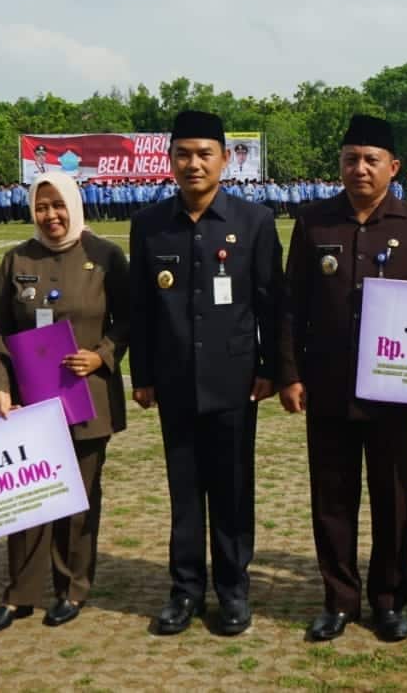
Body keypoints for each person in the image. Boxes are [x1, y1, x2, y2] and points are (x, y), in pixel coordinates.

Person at [279, 114, 407, 643]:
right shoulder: (313, 221)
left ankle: (390, 600)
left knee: (391, 497)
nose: (360, 168)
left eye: (371, 159)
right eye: (351, 158)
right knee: (332, 498)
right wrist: (289, 373)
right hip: (327, 383)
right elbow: (291, 307)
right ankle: (339, 599)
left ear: (393, 167)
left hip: (393, 389)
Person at [128, 110, 283, 637]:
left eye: (204, 154)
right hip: (173, 382)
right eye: (183, 154)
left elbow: (271, 305)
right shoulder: (149, 224)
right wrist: (142, 374)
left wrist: (271, 369)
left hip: (236, 382)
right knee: (185, 492)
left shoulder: (253, 222)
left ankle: (234, 590)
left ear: (224, 159)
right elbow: (142, 309)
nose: (193, 164)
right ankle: (185, 590)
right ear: (170, 160)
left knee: (234, 489)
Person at [0, 170, 130, 634]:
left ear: (74, 204)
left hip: (88, 398)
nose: (51, 216)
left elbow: (131, 319)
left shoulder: (105, 256)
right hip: (30, 402)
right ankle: (19, 594)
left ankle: (71, 589)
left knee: (78, 499)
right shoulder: (17, 259)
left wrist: (102, 354)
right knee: (27, 498)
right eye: (42, 207)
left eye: (58, 205)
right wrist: (1, 388)